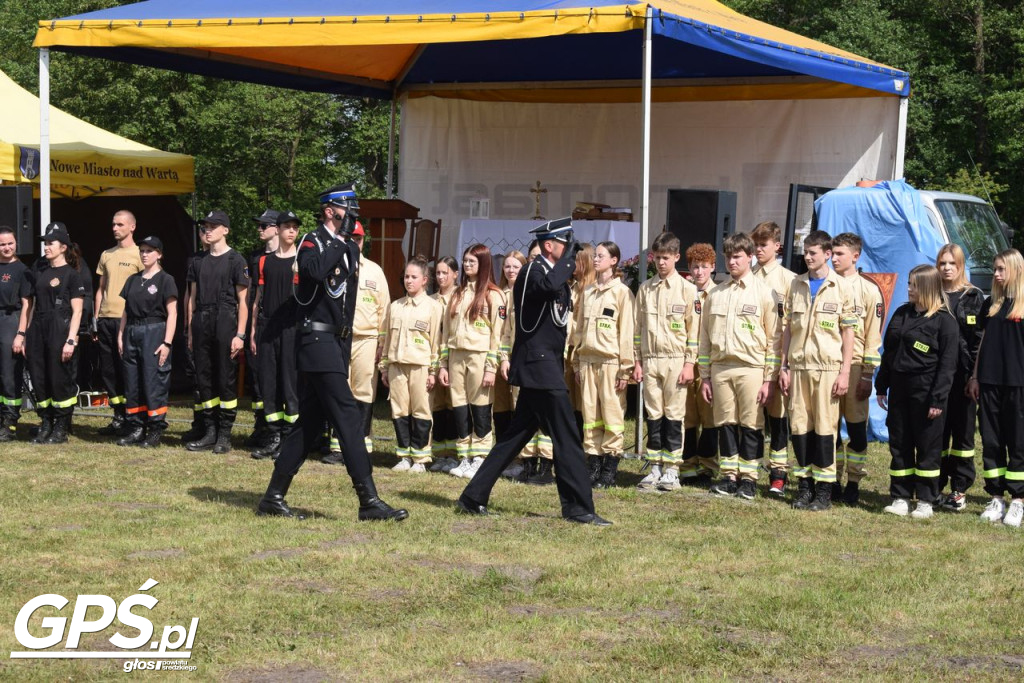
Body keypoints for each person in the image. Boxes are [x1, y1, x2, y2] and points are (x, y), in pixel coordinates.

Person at [257, 183, 407, 522]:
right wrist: (340, 240)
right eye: (346, 206)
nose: (352, 211)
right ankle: (368, 500)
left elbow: (347, 299)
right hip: (316, 341)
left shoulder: (348, 248)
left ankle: (273, 496)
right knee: (348, 418)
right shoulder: (313, 240)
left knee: (307, 425)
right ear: (329, 211)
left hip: (338, 342)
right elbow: (314, 271)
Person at [456, 218, 611, 525]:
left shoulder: (552, 275)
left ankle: (472, 496)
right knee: (566, 436)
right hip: (538, 367)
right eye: (565, 247)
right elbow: (548, 286)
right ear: (550, 245)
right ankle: (578, 507)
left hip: (546, 365)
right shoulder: (532, 271)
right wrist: (567, 264)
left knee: (513, 438)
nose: (570, 255)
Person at [699, 232, 781, 499]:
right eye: (728, 257)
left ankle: (749, 478)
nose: (732, 262)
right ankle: (729, 475)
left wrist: (769, 379)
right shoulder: (716, 293)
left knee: (750, 425)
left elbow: (774, 339)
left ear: (749, 257)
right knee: (725, 424)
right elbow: (705, 339)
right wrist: (705, 377)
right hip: (721, 368)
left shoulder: (765, 293)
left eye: (737, 257)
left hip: (751, 368)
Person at [778, 231, 856, 511]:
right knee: (799, 428)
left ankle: (824, 491)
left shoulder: (842, 287)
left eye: (813, 253)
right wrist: (783, 365)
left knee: (825, 429)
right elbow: (787, 328)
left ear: (827, 253)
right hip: (798, 367)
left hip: (827, 368)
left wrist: (845, 372)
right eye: (805, 253)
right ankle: (804, 486)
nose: (808, 257)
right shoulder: (795, 285)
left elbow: (849, 334)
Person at [876, 265, 958, 519]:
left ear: (927, 287)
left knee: (928, 447)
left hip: (927, 390)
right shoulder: (902, 313)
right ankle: (900, 496)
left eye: (913, 285)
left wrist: (938, 399)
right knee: (900, 444)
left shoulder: (945, 321)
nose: (909, 289)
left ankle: (925, 500)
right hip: (900, 388)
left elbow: (947, 366)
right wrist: (882, 385)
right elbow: (889, 354)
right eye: (909, 284)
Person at [632, 232, 698, 492]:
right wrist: (637, 361)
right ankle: (655, 465)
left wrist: (689, 364)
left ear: (676, 258)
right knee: (654, 414)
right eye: (657, 258)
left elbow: (694, 331)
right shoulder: (645, 289)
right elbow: (637, 329)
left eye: (666, 258)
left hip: (675, 359)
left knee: (674, 415)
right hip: (650, 359)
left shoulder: (687, 289)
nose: (661, 263)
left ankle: (672, 469)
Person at [438, 244, 506, 480]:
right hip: (456, 355)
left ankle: (480, 456)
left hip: (479, 356)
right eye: (465, 261)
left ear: (483, 264)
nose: (467, 265)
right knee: (459, 407)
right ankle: (464, 454)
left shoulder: (493, 295)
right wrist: (443, 364)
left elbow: (497, 336)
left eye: (472, 262)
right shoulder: (457, 293)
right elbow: (446, 332)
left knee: (480, 407)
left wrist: (490, 367)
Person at [185, 210, 250, 454]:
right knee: (204, 378)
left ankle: (225, 435)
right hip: (201, 319)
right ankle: (209, 432)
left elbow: (243, 302)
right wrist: (191, 330)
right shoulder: (197, 261)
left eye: (213, 226)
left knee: (225, 377)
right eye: (205, 226)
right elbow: (191, 299)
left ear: (225, 230)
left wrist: (240, 334)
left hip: (225, 319)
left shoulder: (236, 260)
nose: (208, 230)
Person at [967, 249, 1024, 526]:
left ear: (1016, 269)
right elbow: (982, 345)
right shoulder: (990, 304)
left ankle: (1019, 501)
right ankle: (996, 497)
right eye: (995, 270)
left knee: (1018, 442)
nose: (997, 275)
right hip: (989, 382)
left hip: (1018, 383)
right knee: (991, 441)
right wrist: (975, 377)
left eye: (1001, 269)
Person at [574, 241, 636, 489]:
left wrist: (625, 368)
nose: (596, 259)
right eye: (595, 256)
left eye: (601, 256)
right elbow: (579, 329)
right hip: (588, 361)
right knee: (590, 416)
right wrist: (577, 363)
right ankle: (593, 464)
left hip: (610, 363)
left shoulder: (621, 293)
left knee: (611, 415)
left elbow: (626, 333)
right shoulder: (587, 292)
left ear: (614, 261)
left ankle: (610, 467)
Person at [830, 233, 884, 506]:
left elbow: (874, 336)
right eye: (833, 253)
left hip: (853, 367)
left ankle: (853, 482)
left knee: (855, 428)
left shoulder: (868, 290)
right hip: (827, 365)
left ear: (855, 256)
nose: (834, 258)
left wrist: (866, 374)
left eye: (840, 253)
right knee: (828, 428)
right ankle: (832, 479)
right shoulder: (825, 285)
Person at [380, 256, 445, 473]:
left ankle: (420, 457)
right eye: (406, 276)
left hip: (420, 366)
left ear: (425, 280)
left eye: (414, 277)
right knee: (399, 411)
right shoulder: (395, 306)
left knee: (421, 411)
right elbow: (387, 339)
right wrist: (384, 367)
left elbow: (436, 341)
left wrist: (433, 371)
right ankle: (404, 455)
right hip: (397, 365)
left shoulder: (433, 307)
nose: (409, 281)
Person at [934, 243, 985, 512]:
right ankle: (935, 486)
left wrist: (974, 375)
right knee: (937, 434)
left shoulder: (973, 296)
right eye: (942, 263)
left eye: (952, 263)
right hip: (937, 377)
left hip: (964, 376)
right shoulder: (931, 295)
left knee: (963, 436)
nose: (947, 268)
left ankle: (960, 489)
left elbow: (978, 342)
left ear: (961, 265)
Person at [116, 236, 177, 448]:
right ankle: (136, 427)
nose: (144, 254)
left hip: (154, 331)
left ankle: (155, 429)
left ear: (159, 254)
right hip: (132, 330)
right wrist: (121, 334)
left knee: (153, 381)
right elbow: (125, 311)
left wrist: (167, 343)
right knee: (132, 383)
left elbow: (172, 313)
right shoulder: (132, 279)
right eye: (142, 250)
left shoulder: (165, 280)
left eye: (150, 251)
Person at [27, 223, 86, 444]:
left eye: (50, 243)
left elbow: (77, 311)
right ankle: (46, 422)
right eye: (45, 243)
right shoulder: (40, 271)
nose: (46, 247)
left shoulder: (72, 275)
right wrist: (26, 334)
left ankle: (61, 426)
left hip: (59, 328)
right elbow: (32, 304)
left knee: (59, 377)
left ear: (63, 247)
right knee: (39, 377)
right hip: (38, 328)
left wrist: (71, 340)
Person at [249, 210, 301, 460]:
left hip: (291, 329)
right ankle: (273, 436)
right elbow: (257, 299)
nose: (292, 231)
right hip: (267, 328)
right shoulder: (264, 262)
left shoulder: (302, 260)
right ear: (278, 230)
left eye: (295, 227)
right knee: (269, 385)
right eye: (287, 227)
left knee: (289, 385)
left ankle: (290, 440)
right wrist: (251, 332)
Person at [751, 221, 796, 495]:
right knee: (753, 418)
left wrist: (785, 364)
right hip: (752, 356)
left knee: (778, 418)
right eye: (755, 245)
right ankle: (751, 468)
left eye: (763, 245)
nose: (758, 250)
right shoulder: (749, 275)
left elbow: (790, 325)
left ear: (777, 246)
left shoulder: (788, 280)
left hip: (777, 354)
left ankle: (779, 473)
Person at [94, 210, 143, 437]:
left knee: (128, 370)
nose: (115, 228)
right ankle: (118, 415)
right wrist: (96, 318)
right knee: (108, 370)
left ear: (132, 227)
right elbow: (101, 288)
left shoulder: (140, 254)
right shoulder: (106, 254)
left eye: (120, 225)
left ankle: (134, 417)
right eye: (113, 224)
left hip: (128, 321)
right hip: (105, 319)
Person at [678, 242, 719, 487]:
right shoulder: (685, 293)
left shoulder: (719, 294)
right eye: (695, 267)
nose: (699, 272)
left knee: (710, 418)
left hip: (709, 364)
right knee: (687, 416)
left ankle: (709, 465)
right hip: (686, 362)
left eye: (704, 267)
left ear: (713, 268)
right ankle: (688, 464)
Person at [245, 209, 280, 451]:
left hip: (279, 326)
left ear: (277, 228)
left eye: (264, 225)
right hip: (258, 323)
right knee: (258, 380)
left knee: (279, 381)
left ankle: (277, 432)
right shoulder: (254, 258)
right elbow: (251, 296)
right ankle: (262, 426)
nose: (260, 229)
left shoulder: (288, 257)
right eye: (259, 225)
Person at [0, 226, 33, 440]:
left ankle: (10, 422)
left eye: (10, 243)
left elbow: (27, 304)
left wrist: (21, 334)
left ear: (16, 244)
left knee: (9, 373)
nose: (6, 247)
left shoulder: (23, 270)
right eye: (2, 244)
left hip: (11, 320)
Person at [428, 256, 459, 472]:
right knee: (438, 406)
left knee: (455, 404)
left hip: (455, 360)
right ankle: (440, 453)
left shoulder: (461, 298)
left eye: (445, 273)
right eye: (438, 273)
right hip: (435, 357)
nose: (441, 277)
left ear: (455, 274)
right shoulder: (431, 300)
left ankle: (456, 453)